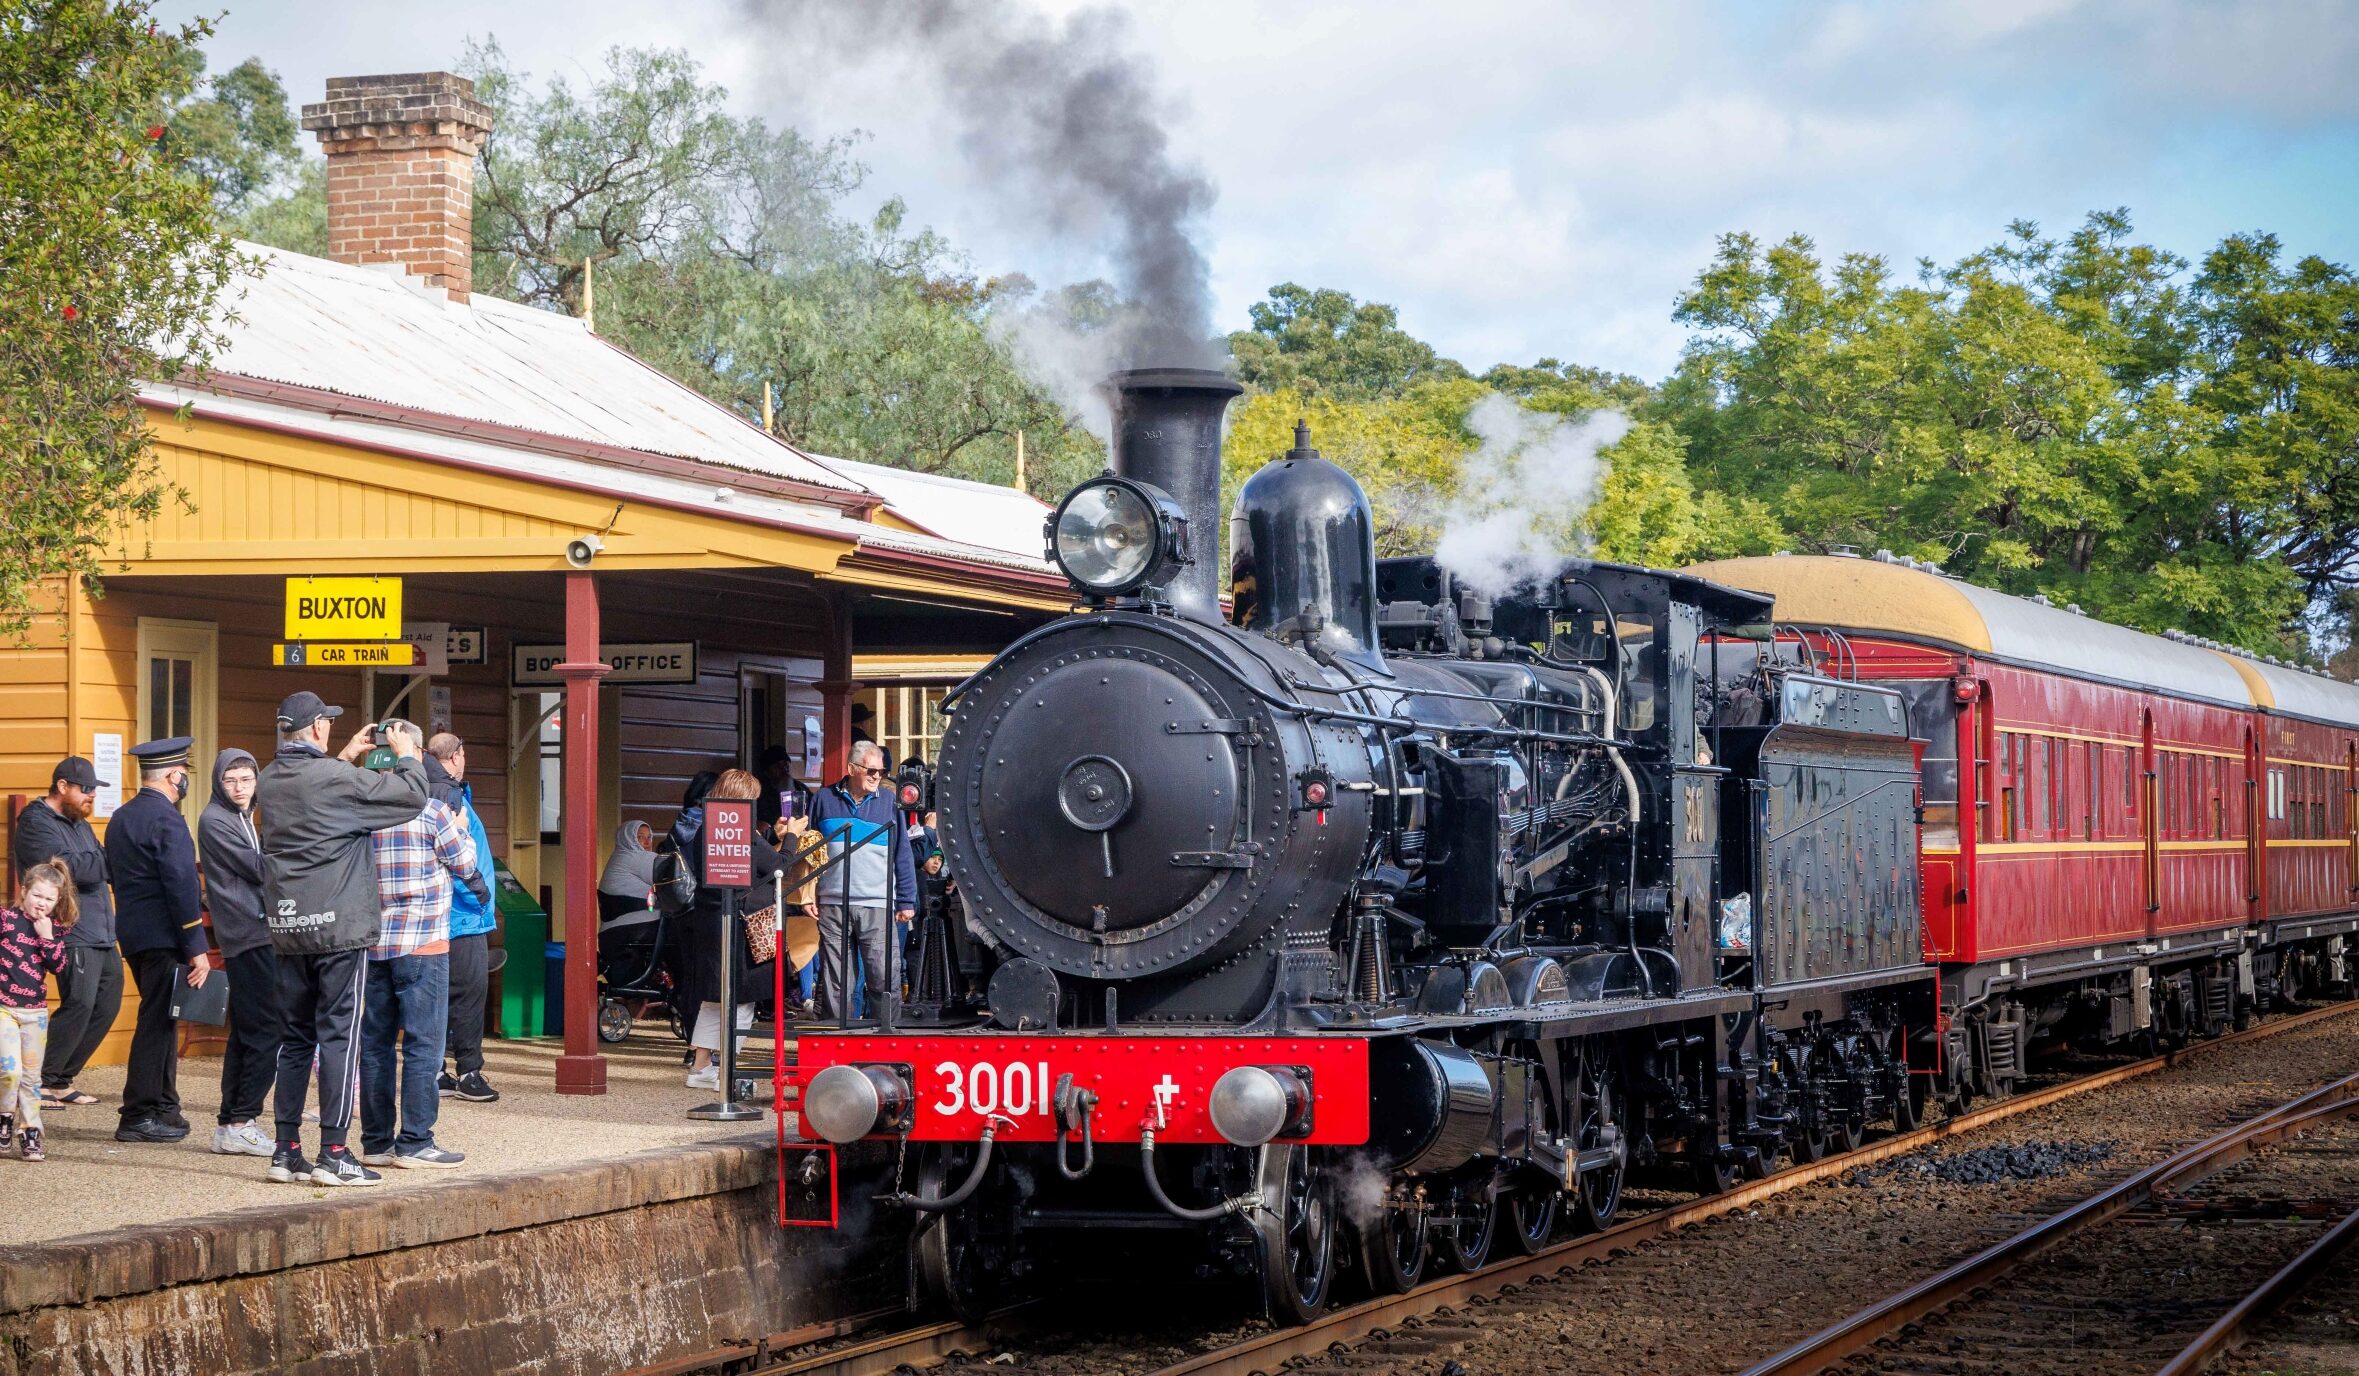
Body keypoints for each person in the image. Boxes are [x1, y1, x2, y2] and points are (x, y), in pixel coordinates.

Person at [256, 692, 430, 1188]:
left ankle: (286, 1150)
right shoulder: (336, 780)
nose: (332, 728)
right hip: (338, 929)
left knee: (294, 1041)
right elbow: (412, 797)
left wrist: (345, 757)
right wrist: (407, 755)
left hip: (289, 930)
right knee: (340, 1038)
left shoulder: (269, 781)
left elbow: (314, 790)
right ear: (315, 730)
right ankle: (334, 1151)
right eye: (328, 722)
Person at [358, 722, 484, 1170]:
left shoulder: (363, 814)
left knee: (374, 1046)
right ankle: (415, 1141)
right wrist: (463, 827)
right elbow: (465, 861)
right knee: (422, 1047)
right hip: (424, 943)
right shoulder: (431, 811)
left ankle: (375, 1142)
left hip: (373, 945)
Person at [105, 736, 218, 1144]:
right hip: (166, 936)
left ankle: (164, 1107)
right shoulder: (167, 820)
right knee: (156, 1022)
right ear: (173, 775)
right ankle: (137, 1114)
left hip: (133, 934)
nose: (184, 779)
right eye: (183, 773)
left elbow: (115, 874)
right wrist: (196, 947)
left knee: (164, 1018)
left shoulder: (121, 817)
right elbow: (181, 886)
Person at [10, 756, 121, 1110]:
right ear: (62, 787)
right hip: (70, 929)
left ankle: (58, 1079)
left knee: (106, 1003)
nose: (91, 796)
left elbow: (97, 861)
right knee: (79, 1003)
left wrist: (107, 863)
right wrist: (114, 861)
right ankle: (38, 1079)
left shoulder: (78, 823)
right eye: (86, 789)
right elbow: (71, 871)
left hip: (102, 929)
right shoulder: (35, 823)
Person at [198, 747, 280, 1157]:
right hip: (248, 934)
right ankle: (242, 1119)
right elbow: (260, 869)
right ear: (218, 782)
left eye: (246, 780)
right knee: (268, 1030)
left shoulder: (244, 817)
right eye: (230, 780)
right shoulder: (216, 820)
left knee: (248, 1032)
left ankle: (231, 1123)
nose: (239, 787)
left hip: (254, 931)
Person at [680, 769, 784, 1090]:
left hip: (709, 925)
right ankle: (727, 1071)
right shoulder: (744, 832)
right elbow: (780, 865)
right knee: (742, 1001)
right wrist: (791, 836)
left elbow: (750, 863)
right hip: (739, 929)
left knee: (714, 999)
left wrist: (771, 838)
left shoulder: (703, 832)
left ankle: (700, 1069)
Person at [804, 742, 919, 1022]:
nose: (877, 776)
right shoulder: (823, 799)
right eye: (871, 770)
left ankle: (887, 1040)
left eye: (881, 771)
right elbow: (810, 849)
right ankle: (835, 1042)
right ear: (851, 769)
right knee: (835, 980)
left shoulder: (890, 803)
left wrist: (906, 899)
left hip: (877, 903)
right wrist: (807, 893)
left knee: (883, 976)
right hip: (832, 902)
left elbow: (902, 852)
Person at [423, 733, 502, 1104]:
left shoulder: (424, 788)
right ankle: (469, 1072)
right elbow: (458, 859)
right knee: (470, 995)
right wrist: (481, 899)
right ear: (457, 756)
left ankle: (436, 1069)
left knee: (436, 997)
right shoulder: (450, 796)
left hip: (438, 917)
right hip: (463, 916)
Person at [0, 860, 73, 1160]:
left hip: (36, 1013)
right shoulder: (6, 919)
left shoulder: (54, 929)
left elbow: (58, 967)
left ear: (57, 902)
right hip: (4, 1008)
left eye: (49, 899)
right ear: (24, 891)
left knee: (31, 1078)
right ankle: (4, 1119)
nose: (41, 903)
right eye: (37, 895)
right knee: (9, 1071)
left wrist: (47, 938)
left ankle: (30, 1132)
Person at [599, 820, 658, 922]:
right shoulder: (635, 858)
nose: (647, 843)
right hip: (636, 926)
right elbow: (671, 874)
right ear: (628, 839)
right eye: (640, 837)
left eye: (649, 837)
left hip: (618, 926)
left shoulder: (619, 857)